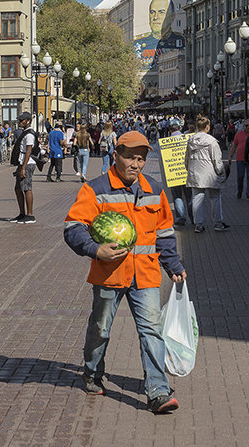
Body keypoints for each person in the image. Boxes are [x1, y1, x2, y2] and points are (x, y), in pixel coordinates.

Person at [63, 130, 186, 414]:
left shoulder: (155, 189)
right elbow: (73, 227)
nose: (136, 164)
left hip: (145, 274)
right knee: (100, 328)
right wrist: (95, 250)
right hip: (109, 274)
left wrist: (173, 264)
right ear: (115, 155)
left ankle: (158, 390)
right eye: (130, 157)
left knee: (151, 332)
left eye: (141, 159)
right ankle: (92, 371)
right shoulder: (95, 188)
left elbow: (164, 232)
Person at [186, 114, 228, 233]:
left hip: (195, 173)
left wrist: (188, 168)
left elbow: (187, 158)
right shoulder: (212, 141)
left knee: (197, 199)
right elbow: (217, 159)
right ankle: (218, 223)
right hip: (210, 174)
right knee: (215, 198)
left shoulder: (191, 140)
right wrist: (221, 172)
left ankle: (198, 224)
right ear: (208, 127)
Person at [11, 111, 38, 224]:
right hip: (22, 163)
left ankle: (30, 215)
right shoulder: (24, 132)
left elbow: (28, 150)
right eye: (19, 120)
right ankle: (22, 213)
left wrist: (23, 167)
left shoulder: (30, 134)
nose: (19, 122)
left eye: (22, 120)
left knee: (26, 188)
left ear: (28, 121)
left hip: (27, 163)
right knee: (18, 188)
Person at [229, 120, 249, 200]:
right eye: (246, 126)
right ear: (243, 126)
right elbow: (234, 146)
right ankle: (240, 191)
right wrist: (231, 156)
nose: (248, 127)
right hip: (240, 158)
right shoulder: (238, 134)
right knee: (240, 176)